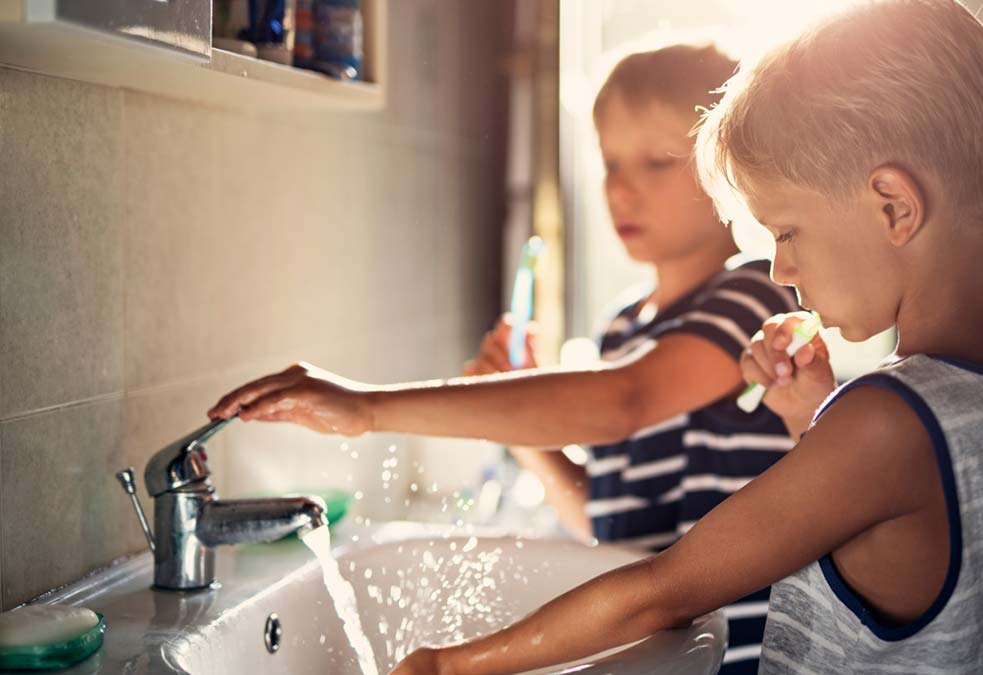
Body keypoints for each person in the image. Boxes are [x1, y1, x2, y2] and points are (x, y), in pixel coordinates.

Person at [383, 0, 983, 672]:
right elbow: (911, 541)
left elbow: (663, 592)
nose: (781, 266)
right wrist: (816, 420)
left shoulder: (888, 423)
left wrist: (447, 666)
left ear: (894, 206)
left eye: (786, 230)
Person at [210, 41, 800, 675]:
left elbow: (623, 402)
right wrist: (525, 426)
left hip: (737, 658)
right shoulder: (624, 328)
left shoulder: (754, 295)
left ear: (726, 169)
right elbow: (600, 516)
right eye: (608, 163)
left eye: (656, 162)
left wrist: (366, 407)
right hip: (662, 649)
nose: (621, 187)